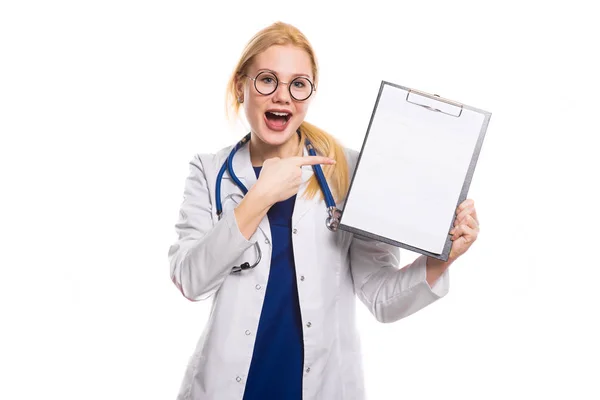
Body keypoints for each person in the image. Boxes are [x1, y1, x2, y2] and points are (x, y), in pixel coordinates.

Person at [168, 21, 480, 400]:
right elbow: (191, 279)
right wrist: (259, 197)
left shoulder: (347, 171)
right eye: (267, 80)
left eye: (298, 84)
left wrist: (441, 260)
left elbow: (381, 298)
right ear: (240, 86)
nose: (283, 96)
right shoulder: (209, 171)